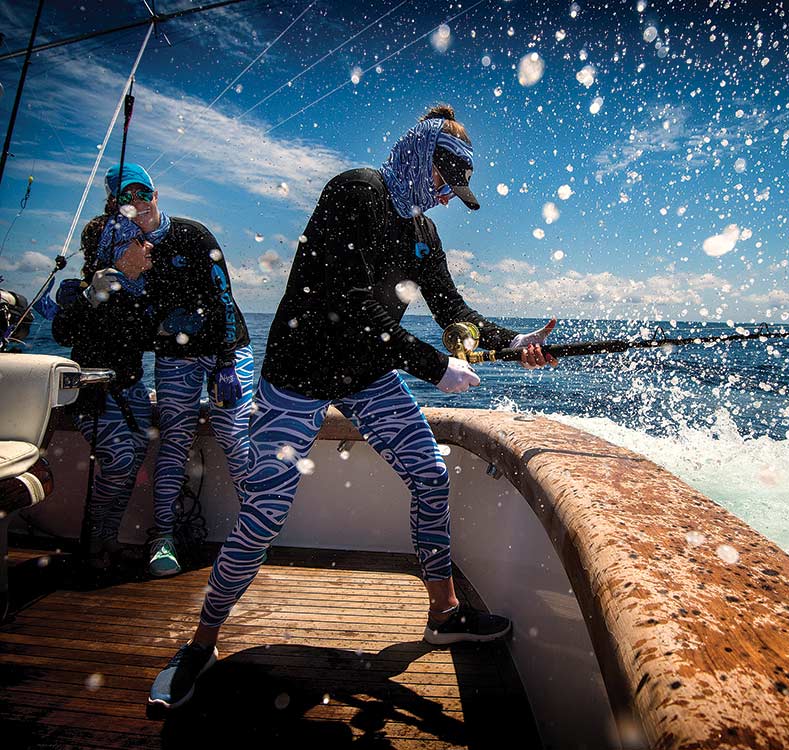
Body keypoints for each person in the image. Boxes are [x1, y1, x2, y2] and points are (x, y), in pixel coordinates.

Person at [148, 104, 557, 709]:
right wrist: (435, 366)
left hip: (366, 375)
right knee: (264, 514)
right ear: (421, 157)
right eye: (446, 182)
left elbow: (454, 313)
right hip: (298, 375)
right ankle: (202, 642)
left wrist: (512, 342)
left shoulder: (424, 232)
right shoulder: (355, 194)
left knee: (430, 474)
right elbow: (348, 310)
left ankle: (444, 612)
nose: (446, 198)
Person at [105, 164, 254, 577]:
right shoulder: (121, 247)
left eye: (143, 193)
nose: (137, 203)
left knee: (233, 432)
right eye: (125, 198)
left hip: (227, 346)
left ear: (155, 194)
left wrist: (225, 363)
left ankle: (254, 533)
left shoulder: (193, 234)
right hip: (174, 355)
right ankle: (163, 536)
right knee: (175, 439)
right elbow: (127, 312)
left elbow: (223, 295)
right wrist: (121, 274)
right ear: (117, 208)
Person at [52, 216, 156, 565]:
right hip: (94, 397)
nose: (149, 247)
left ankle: (107, 540)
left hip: (133, 394)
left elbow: (150, 338)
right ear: (117, 248)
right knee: (120, 461)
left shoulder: (143, 292)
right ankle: (92, 535)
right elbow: (62, 333)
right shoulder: (78, 289)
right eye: (140, 241)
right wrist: (89, 298)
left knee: (131, 467)